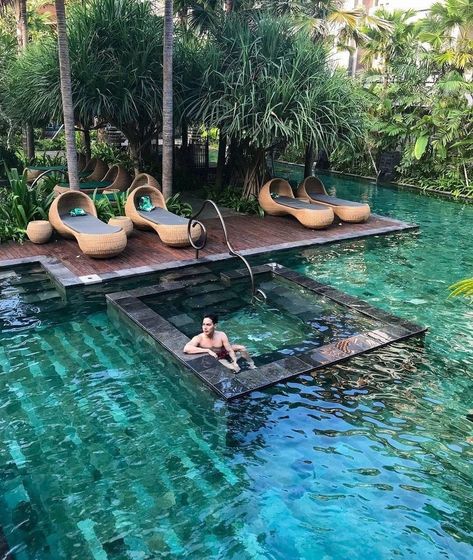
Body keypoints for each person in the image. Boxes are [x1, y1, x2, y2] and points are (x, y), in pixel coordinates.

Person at [183, 313, 256, 373]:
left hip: (223, 351)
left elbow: (229, 350)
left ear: (215, 325)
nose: (205, 327)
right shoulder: (199, 338)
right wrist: (207, 350)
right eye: (203, 324)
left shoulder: (221, 335)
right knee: (235, 369)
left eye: (208, 325)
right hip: (217, 357)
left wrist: (234, 361)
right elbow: (186, 349)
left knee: (242, 348)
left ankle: (251, 364)